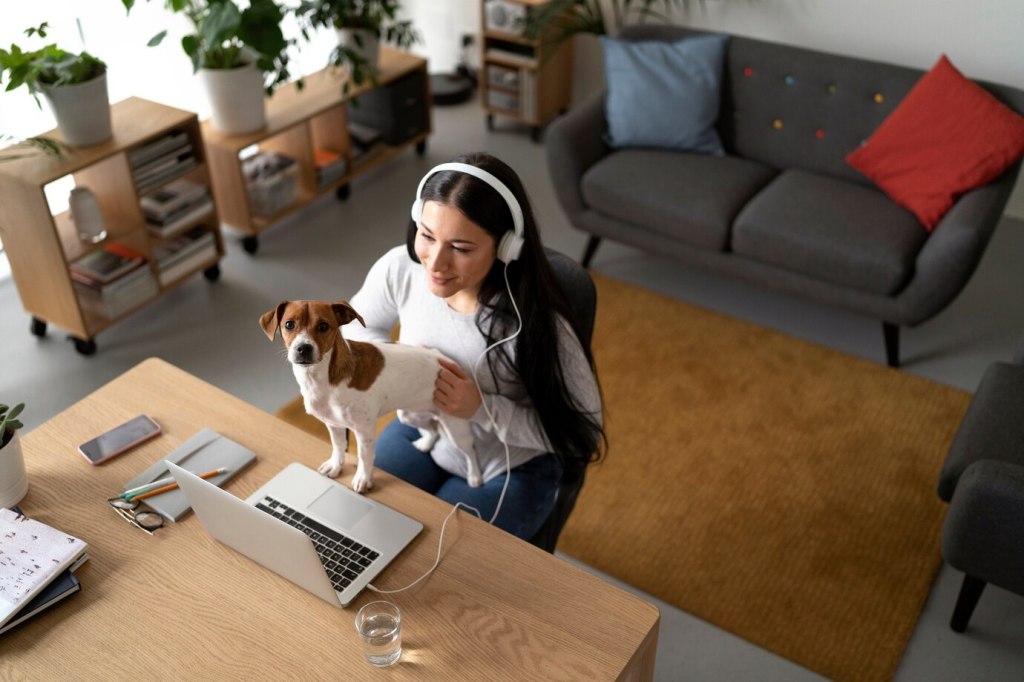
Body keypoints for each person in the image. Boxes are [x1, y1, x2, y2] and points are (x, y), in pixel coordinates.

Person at [344, 151, 606, 540]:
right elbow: (353, 333)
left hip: (509, 465)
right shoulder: (400, 270)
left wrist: (482, 408)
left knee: (444, 559)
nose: (435, 262)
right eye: (428, 236)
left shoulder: (534, 322)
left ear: (506, 248)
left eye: (461, 249)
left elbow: (581, 433)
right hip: (422, 436)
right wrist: (399, 365)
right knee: (356, 526)